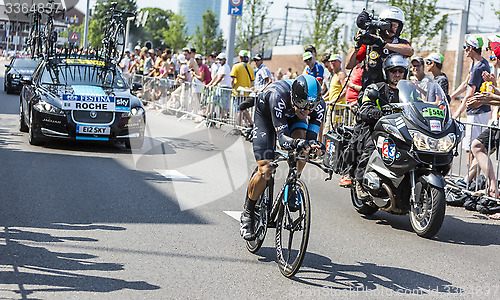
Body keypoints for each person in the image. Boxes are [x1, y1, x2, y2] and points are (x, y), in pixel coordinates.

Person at [240, 74, 326, 240]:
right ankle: (248, 213)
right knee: (266, 168)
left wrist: (314, 146)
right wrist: (297, 144)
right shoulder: (277, 96)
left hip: (292, 116)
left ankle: (294, 182)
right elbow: (283, 140)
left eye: (311, 107)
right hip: (267, 116)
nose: (307, 111)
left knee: (304, 145)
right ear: (294, 97)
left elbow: (311, 138)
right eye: (303, 104)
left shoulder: (317, 105)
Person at [350, 54, 409, 199]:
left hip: (401, 130)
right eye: (393, 71)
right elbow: (364, 110)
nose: (397, 75)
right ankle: (360, 182)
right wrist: (379, 112)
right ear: (386, 72)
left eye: (400, 71)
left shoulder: (409, 91)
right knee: (372, 148)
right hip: (376, 129)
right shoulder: (376, 88)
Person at [346, 7, 414, 98]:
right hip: (371, 94)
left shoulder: (401, 43)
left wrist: (384, 45)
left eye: (395, 26)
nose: (392, 29)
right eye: (389, 25)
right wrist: (357, 45)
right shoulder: (370, 44)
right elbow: (349, 65)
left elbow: (410, 51)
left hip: (394, 95)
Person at [451, 36, 491, 155]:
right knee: (475, 148)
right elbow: (466, 83)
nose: (464, 50)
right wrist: (451, 96)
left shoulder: (479, 67)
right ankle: (474, 173)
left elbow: (469, 94)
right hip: (480, 110)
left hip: (477, 111)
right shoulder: (479, 63)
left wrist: (457, 113)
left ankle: (471, 173)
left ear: (471, 48)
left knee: (471, 149)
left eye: (465, 47)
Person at [230, 50, 255, 126]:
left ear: (240, 57)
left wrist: (232, 87)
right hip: (247, 92)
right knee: (244, 108)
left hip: (237, 92)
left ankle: (238, 125)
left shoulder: (236, 66)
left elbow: (232, 80)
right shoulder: (250, 68)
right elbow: (252, 82)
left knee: (238, 109)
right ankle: (247, 124)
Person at [207, 53, 232, 118]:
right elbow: (216, 76)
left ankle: (224, 117)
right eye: (219, 59)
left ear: (224, 59)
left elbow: (221, 77)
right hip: (220, 87)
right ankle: (213, 116)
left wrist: (214, 84)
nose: (219, 60)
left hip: (225, 87)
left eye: (221, 59)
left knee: (223, 104)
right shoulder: (221, 67)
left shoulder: (225, 67)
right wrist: (210, 83)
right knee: (217, 102)